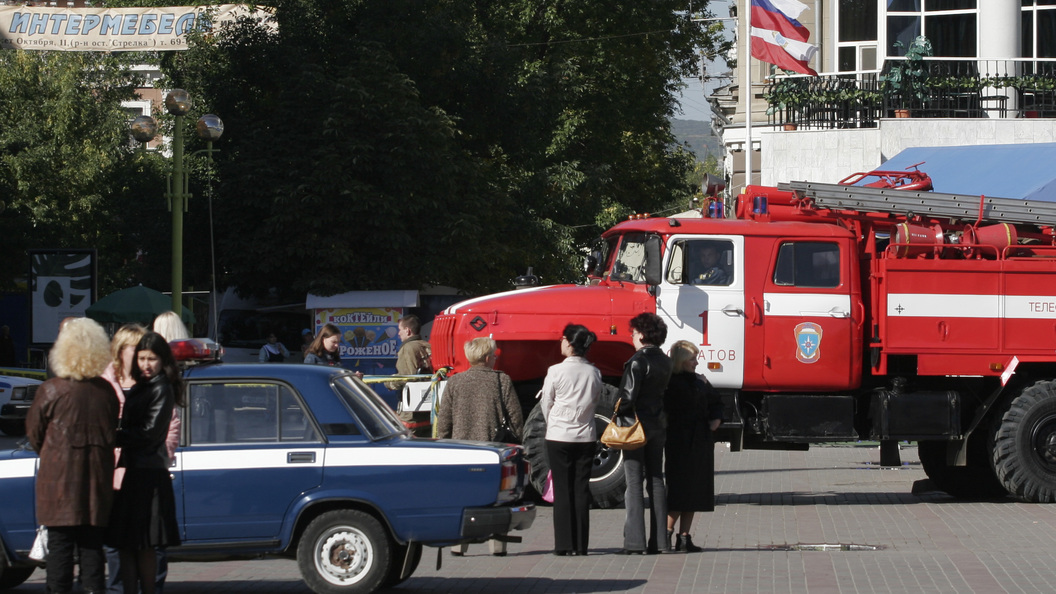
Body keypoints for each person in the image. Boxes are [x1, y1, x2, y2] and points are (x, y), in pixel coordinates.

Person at [27, 317, 120, 594]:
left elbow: (35, 434)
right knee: (92, 550)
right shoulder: (106, 393)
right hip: (96, 483)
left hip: (57, 486)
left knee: (59, 552)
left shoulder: (51, 390)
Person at [107, 332, 182, 594]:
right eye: (141, 358)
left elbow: (149, 433)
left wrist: (111, 436)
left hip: (149, 474)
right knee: (127, 542)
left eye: (152, 358)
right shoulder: (142, 386)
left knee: (146, 544)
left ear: (163, 360)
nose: (146, 364)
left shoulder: (162, 387)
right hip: (133, 471)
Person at [435, 337, 523, 557]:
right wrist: (519, 441)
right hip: (493, 451)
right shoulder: (501, 380)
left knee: (462, 498)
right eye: (493, 355)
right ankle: (497, 545)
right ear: (486, 358)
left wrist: (442, 445)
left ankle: (459, 544)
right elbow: (515, 416)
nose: (495, 358)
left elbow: (444, 420)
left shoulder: (455, 382)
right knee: (494, 499)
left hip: (461, 451)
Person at [540, 324, 601, 557]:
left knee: (562, 489)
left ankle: (564, 544)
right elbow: (595, 402)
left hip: (558, 435)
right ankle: (581, 545)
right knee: (581, 488)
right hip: (586, 435)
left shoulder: (555, 371)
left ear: (569, 342)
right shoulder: (594, 372)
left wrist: (554, 422)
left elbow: (546, 403)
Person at [616, 312, 673, 555]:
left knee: (634, 482)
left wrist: (618, 415)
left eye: (633, 332)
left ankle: (635, 542)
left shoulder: (637, 361)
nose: (631, 336)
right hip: (658, 425)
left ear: (641, 334)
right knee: (656, 480)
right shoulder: (665, 361)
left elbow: (627, 398)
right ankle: (660, 541)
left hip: (636, 427)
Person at [664, 340, 723, 553]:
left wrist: (716, 420)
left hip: (700, 441)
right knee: (680, 490)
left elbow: (717, 403)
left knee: (695, 491)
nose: (696, 362)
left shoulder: (700, 382)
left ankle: (684, 537)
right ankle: (666, 533)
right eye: (692, 358)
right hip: (679, 441)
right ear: (680, 360)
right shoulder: (670, 383)